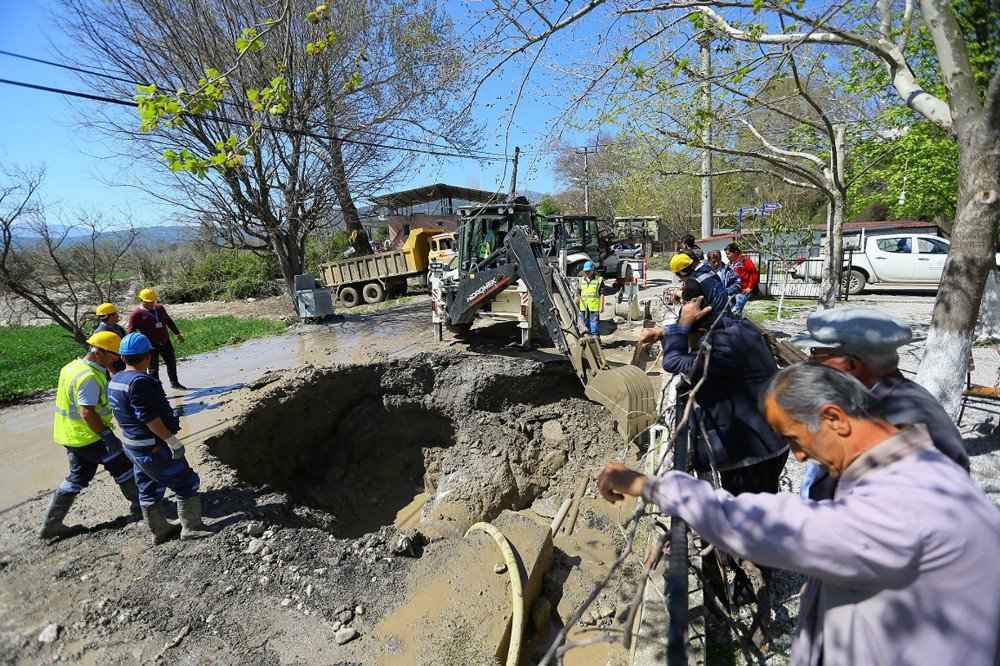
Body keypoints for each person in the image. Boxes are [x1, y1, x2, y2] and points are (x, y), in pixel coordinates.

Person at [598, 363, 1000, 666]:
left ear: (834, 419)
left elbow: (766, 525)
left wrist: (648, 486)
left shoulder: (901, 505)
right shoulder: (925, 467)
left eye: (795, 438)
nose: (799, 455)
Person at [793, 307, 969, 500]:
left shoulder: (897, 424)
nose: (809, 363)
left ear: (850, 366)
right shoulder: (879, 397)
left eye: (815, 354)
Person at [637, 297, 788, 493]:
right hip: (772, 441)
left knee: (746, 517)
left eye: (688, 340)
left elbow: (672, 362)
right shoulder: (739, 328)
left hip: (750, 456)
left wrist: (682, 325)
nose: (688, 346)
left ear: (702, 333)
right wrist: (667, 330)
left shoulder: (717, 349)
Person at [107, 333, 213, 544]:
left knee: (148, 487)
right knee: (186, 482)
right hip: (152, 447)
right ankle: (192, 527)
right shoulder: (140, 382)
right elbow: (148, 417)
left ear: (121, 356)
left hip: (132, 446)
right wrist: (171, 440)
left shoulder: (115, 380)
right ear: (147, 355)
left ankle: (160, 530)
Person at [39, 331, 139, 540]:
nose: (117, 359)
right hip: (90, 436)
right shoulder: (88, 377)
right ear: (98, 352)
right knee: (122, 466)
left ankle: (51, 525)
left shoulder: (72, 367)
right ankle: (142, 505)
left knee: (78, 476)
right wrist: (107, 435)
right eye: (113, 355)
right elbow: (87, 411)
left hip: (70, 435)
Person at [127, 288, 187, 390]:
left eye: (152, 302)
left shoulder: (160, 308)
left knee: (171, 363)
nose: (151, 304)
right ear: (141, 300)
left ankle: (174, 383)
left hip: (165, 342)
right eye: (148, 302)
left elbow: (169, 321)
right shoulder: (136, 314)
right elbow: (131, 332)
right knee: (153, 369)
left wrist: (177, 333)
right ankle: (157, 389)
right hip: (150, 346)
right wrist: (131, 349)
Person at [668, 252, 730, 318]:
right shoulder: (708, 270)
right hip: (727, 312)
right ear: (692, 265)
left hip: (717, 320)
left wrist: (676, 292)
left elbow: (686, 296)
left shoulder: (692, 283)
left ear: (677, 274)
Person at [725, 243, 759, 318]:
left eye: (729, 254)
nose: (727, 256)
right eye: (726, 254)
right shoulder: (730, 262)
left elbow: (754, 274)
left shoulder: (745, 260)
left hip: (742, 291)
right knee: (731, 311)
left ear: (735, 252)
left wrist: (750, 287)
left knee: (736, 312)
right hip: (732, 291)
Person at [93, 303, 127, 374]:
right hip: (114, 368)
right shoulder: (101, 333)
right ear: (110, 316)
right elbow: (102, 354)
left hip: (121, 364)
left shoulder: (117, 327)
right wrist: (111, 371)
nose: (118, 316)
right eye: (115, 314)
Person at [576, 260, 604, 336]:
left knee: (594, 323)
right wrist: (574, 304)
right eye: (585, 271)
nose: (587, 273)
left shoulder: (599, 280)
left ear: (593, 270)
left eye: (588, 271)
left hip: (593, 306)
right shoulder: (581, 280)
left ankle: (595, 338)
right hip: (583, 306)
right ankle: (587, 337)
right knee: (584, 322)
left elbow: (601, 294)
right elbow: (578, 294)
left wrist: (601, 306)